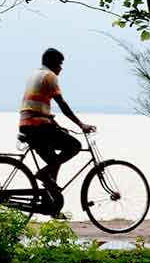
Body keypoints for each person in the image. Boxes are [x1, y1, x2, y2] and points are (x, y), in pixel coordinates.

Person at [19, 48, 96, 193]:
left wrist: (55, 124)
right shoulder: (50, 76)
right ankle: (43, 174)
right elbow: (62, 104)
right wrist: (81, 124)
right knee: (74, 146)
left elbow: (35, 106)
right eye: (60, 64)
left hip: (27, 126)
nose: (61, 68)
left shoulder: (35, 75)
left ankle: (51, 200)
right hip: (37, 126)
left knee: (54, 162)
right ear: (53, 63)